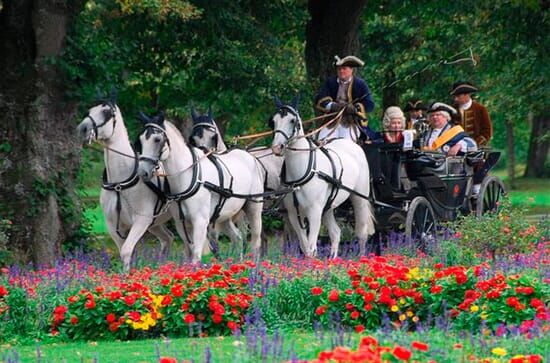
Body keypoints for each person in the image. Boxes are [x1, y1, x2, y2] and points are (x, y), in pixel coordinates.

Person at [315, 55, 375, 141]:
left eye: (344, 68)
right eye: (339, 69)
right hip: (331, 121)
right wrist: (333, 106)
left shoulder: (360, 84)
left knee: (347, 142)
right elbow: (320, 99)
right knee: (321, 139)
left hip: (351, 122)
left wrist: (356, 108)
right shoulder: (330, 82)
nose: (341, 71)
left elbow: (370, 104)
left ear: (351, 70)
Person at [451, 81, 492, 147]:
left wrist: (474, 144)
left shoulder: (480, 109)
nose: (456, 99)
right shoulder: (452, 110)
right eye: (455, 96)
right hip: (455, 149)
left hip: (477, 149)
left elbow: (487, 132)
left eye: (458, 96)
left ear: (467, 95)